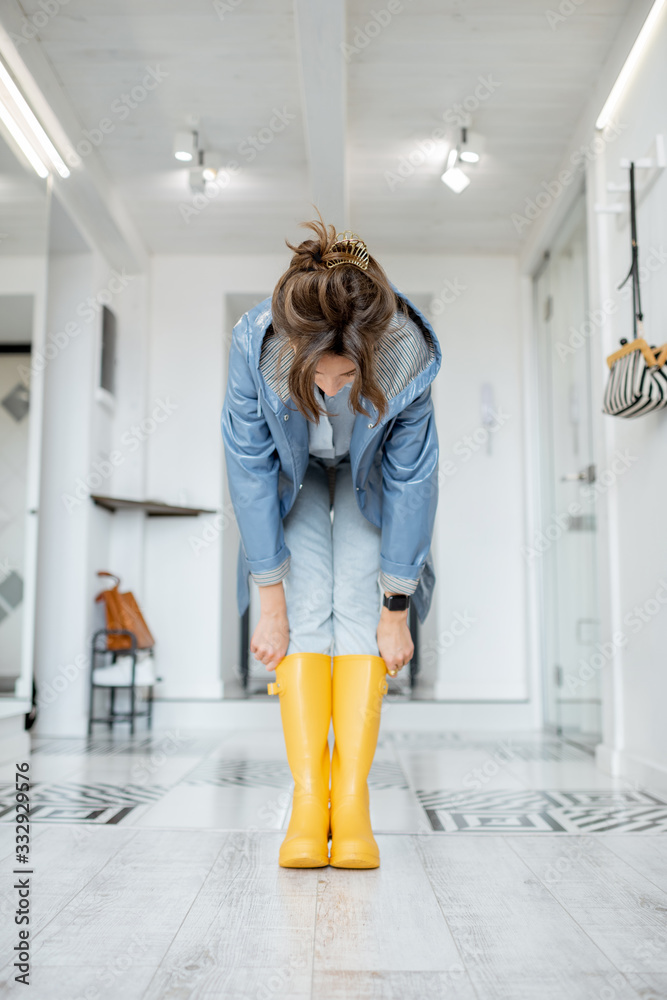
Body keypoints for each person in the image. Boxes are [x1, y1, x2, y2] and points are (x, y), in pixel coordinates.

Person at [221, 213, 441, 869]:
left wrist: (395, 608)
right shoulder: (254, 345)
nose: (329, 391)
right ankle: (308, 795)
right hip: (294, 478)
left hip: (367, 477)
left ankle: (350, 801)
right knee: (303, 601)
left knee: (358, 596)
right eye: (318, 378)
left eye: (346, 380)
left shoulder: (405, 355)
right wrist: (269, 598)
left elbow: (411, 483)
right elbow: (249, 468)